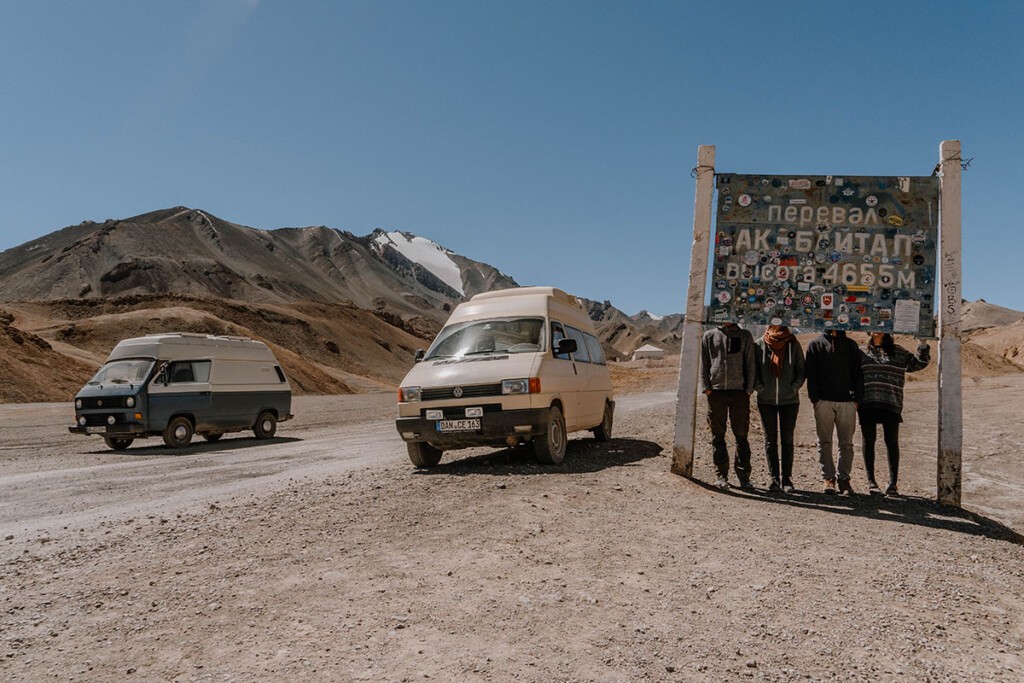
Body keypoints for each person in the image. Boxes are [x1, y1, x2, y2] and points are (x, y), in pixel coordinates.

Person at [859, 333, 931, 496]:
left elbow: (918, 364)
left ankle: (893, 483)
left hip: (891, 402)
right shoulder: (861, 352)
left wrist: (923, 344)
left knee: (891, 442)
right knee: (868, 441)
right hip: (867, 402)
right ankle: (871, 482)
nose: (877, 330)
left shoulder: (898, 352)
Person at [805, 329, 863, 495]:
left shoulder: (851, 345)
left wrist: (856, 400)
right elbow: (811, 373)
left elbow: (858, 373)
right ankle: (828, 478)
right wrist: (815, 399)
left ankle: (844, 479)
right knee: (824, 442)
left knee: (846, 443)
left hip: (847, 402)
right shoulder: (815, 344)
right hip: (823, 401)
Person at [700, 321, 756, 490]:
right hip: (716, 392)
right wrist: (706, 388)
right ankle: (721, 475)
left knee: (741, 435)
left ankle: (744, 477)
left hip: (739, 392)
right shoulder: (709, 336)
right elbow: (704, 363)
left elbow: (750, 362)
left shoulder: (744, 335)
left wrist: (749, 389)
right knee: (718, 435)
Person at [754, 325, 805, 493]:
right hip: (766, 400)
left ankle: (787, 479)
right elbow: (753, 369)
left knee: (787, 440)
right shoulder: (759, 344)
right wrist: (759, 387)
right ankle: (774, 479)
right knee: (770, 440)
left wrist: (794, 387)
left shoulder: (793, 344)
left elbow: (801, 369)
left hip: (789, 401)